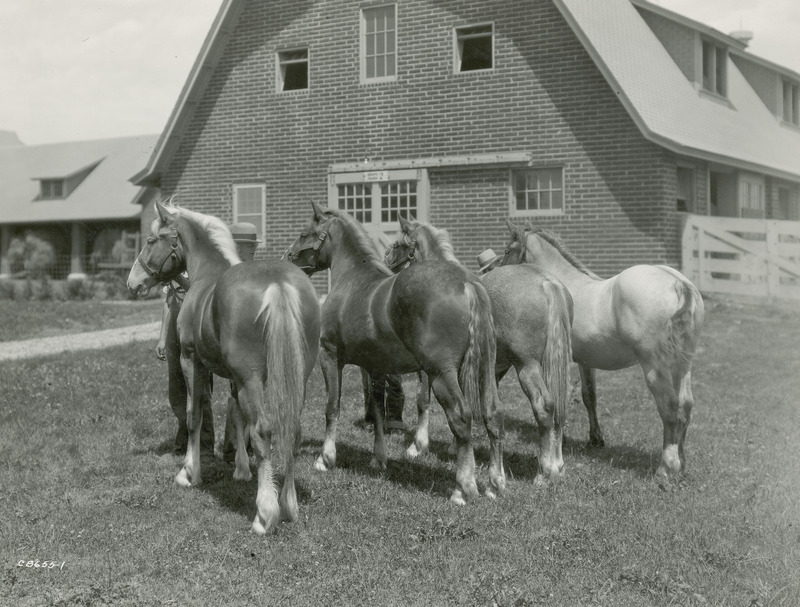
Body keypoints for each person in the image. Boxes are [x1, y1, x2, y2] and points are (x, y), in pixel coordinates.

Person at [155, 273, 215, 457]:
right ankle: (183, 442)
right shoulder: (175, 265)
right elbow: (169, 301)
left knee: (199, 390)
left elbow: (198, 290)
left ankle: (205, 448)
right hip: (175, 330)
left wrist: (176, 276)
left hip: (196, 330)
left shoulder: (198, 262)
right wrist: (163, 338)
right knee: (177, 391)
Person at [222, 222, 261, 462]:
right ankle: (232, 447)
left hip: (254, 341)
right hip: (236, 342)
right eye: (248, 246)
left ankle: (246, 446)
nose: (253, 250)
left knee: (251, 393)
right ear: (236, 246)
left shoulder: (253, 271)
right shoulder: (229, 273)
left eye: (254, 246)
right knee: (237, 393)